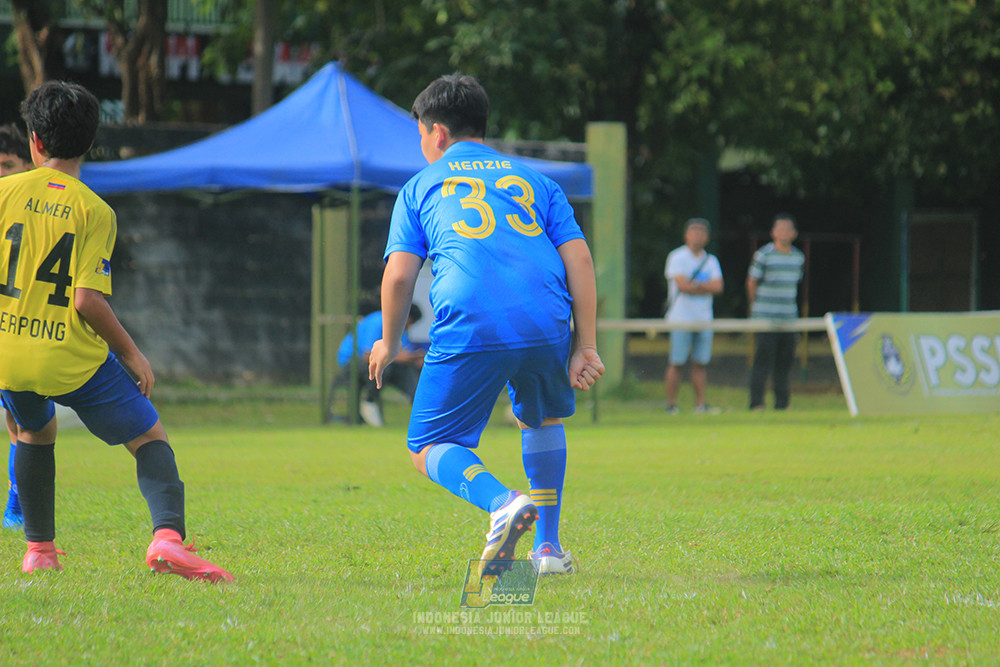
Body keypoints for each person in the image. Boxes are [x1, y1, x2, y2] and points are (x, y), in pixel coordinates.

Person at [368, 73, 604, 578]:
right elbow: (579, 260)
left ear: (436, 132)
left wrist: (388, 341)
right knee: (540, 418)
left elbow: (399, 275)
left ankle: (502, 503)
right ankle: (548, 550)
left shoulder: (419, 186)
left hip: (471, 315)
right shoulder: (537, 180)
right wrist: (586, 344)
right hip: (548, 317)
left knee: (427, 445)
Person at [0, 81, 232, 581]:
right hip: (67, 355)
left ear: (34, 141)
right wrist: (132, 354)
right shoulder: (94, 210)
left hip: (8, 353)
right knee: (150, 434)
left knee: (36, 434)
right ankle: (168, 539)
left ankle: (39, 550)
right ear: (89, 144)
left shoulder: (2, 193)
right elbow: (86, 299)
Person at [1, 123, 34, 529]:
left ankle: (16, 505)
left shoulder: (39, 216)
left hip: (19, 332)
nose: (3, 175)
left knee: (20, 421)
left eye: (9, 165)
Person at [663, 218, 724, 414]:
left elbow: (718, 287)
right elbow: (682, 286)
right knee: (677, 362)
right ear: (686, 235)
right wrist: (704, 287)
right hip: (681, 319)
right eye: (694, 232)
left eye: (701, 232)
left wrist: (696, 286)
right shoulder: (677, 257)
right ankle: (672, 404)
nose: (698, 236)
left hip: (704, 319)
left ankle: (700, 404)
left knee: (700, 363)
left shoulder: (711, 260)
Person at [747, 213, 806, 410]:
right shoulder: (763, 255)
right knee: (762, 361)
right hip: (765, 317)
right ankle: (756, 403)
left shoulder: (798, 257)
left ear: (794, 233)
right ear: (773, 233)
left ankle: (782, 404)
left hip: (788, 318)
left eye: (787, 229)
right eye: (780, 229)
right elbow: (752, 281)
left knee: (785, 362)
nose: (783, 233)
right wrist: (755, 307)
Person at [337, 306, 424, 426]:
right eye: (411, 322)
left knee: (408, 369)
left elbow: (401, 353)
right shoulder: (377, 321)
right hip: (352, 362)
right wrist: (400, 357)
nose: (409, 326)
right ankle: (369, 401)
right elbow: (367, 355)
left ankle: (420, 407)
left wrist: (415, 359)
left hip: (386, 365)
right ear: (407, 317)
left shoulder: (400, 329)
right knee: (383, 366)